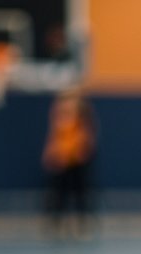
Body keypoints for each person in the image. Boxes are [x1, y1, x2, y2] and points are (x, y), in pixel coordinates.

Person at [42, 87, 96, 239]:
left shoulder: (82, 114)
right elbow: (53, 135)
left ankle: (82, 223)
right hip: (62, 159)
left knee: (81, 193)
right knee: (59, 193)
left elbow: (88, 134)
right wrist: (50, 152)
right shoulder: (57, 114)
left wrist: (84, 150)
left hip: (77, 159)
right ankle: (56, 224)